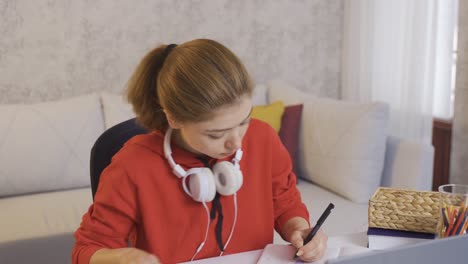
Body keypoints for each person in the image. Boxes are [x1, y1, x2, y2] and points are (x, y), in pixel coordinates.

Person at [72, 39, 328, 264]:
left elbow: (284, 202)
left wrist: (299, 229)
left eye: (244, 121)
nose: (237, 143)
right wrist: (119, 258)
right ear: (173, 118)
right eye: (216, 134)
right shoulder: (133, 166)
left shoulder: (263, 138)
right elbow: (87, 250)